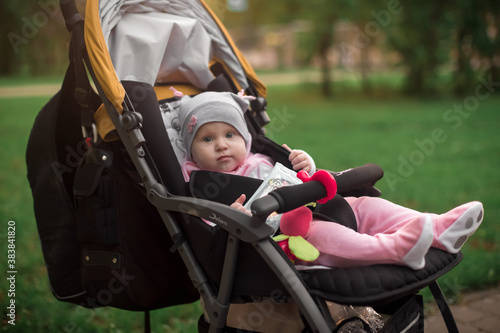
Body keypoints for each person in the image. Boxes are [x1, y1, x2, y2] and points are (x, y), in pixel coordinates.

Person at [178, 91, 484, 270]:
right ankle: (396, 248)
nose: (221, 145)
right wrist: (233, 219)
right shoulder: (203, 185)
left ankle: (439, 228)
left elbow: (301, 179)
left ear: (244, 137)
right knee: (328, 235)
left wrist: (306, 166)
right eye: (207, 138)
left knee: (365, 205)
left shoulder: (262, 157)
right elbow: (208, 235)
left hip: (319, 204)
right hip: (292, 235)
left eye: (230, 135)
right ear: (191, 149)